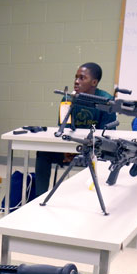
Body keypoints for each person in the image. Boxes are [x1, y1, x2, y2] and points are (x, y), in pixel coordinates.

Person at [35, 62, 118, 196]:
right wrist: (68, 149)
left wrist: (84, 150)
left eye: (82, 78)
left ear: (94, 82)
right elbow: (64, 129)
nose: (76, 81)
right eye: (76, 77)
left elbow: (105, 135)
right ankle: (38, 198)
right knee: (43, 153)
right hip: (71, 148)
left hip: (95, 152)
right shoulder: (67, 99)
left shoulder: (107, 101)